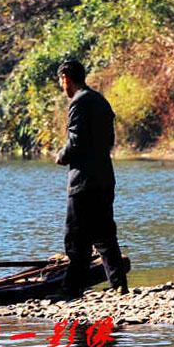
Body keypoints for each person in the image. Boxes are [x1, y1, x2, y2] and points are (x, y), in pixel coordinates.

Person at [54, 60, 128, 298]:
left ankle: (71, 290)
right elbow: (108, 141)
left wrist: (62, 156)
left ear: (66, 78)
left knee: (75, 237)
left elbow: (75, 142)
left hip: (83, 182)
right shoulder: (100, 100)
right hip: (105, 178)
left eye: (60, 81)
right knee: (104, 234)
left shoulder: (78, 102)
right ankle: (118, 284)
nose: (61, 86)